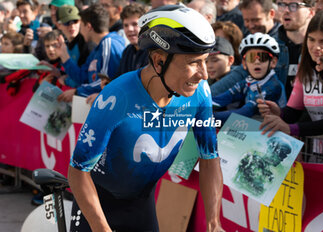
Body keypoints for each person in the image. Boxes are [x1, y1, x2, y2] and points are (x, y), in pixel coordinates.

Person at [68, 5, 224, 232]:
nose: (204, 74)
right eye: (193, 63)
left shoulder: (201, 92)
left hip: (141, 206)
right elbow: (78, 171)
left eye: (205, 60)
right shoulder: (117, 97)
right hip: (97, 204)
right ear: (159, 61)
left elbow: (210, 157)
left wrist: (213, 223)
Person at [258, 10, 323, 138]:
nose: (316, 47)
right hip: (317, 152)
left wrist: (291, 129)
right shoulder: (305, 65)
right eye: (311, 39)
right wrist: (279, 113)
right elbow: (294, 111)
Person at [210, 0, 315, 99]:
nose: (286, 10)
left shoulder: (319, 49)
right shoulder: (268, 46)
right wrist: (203, 97)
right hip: (271, 113)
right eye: (282, 5)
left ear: (311, 12)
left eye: (293, 6)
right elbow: (240, 74)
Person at [55, 3, 125, 102]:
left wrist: (77, 91)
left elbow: (106, 82)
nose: (80, 30)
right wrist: (64, 56)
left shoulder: (109, 44)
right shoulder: (98, 48)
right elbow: (82, 77)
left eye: (80, 24)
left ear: (88, 26)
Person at [212, 33, 286, 121]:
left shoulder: (273, 86)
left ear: (273, 62)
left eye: (262, 57)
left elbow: (246, 112)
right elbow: (222, 99)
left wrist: (209, 117)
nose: (257, 62)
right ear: (244, 63)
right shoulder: (248, 81)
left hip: (272, 130)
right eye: (251, 57)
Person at [55, 5, 96, 87]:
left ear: (80, 21)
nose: (72, 26)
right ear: (58, 25)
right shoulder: (63, 43)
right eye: (67, 22)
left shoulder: (87, 44)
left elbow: (85, 79)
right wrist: (56, 71)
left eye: (75, 21)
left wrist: (67, 81)